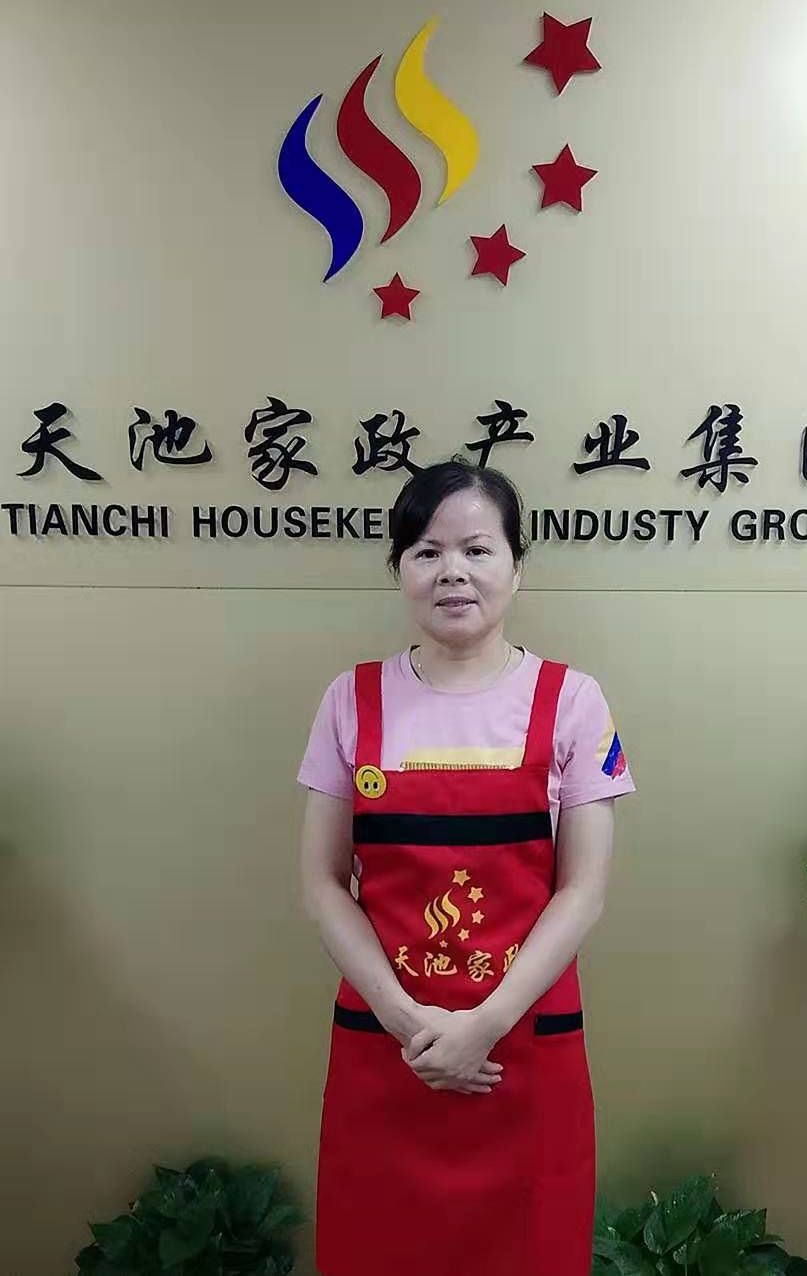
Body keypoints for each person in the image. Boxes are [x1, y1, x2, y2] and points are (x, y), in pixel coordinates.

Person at [297, 457, 636, 1276]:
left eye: (477, 549)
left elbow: (583, 890)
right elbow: (322, 882)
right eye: (426, 550)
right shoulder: (351, 699)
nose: (452, 570)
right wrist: (407, 1021)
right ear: (400, 570)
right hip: (389, 1049)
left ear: (517, 567)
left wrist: (483, 1024)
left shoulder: (572, 700)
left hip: (520, 1048)